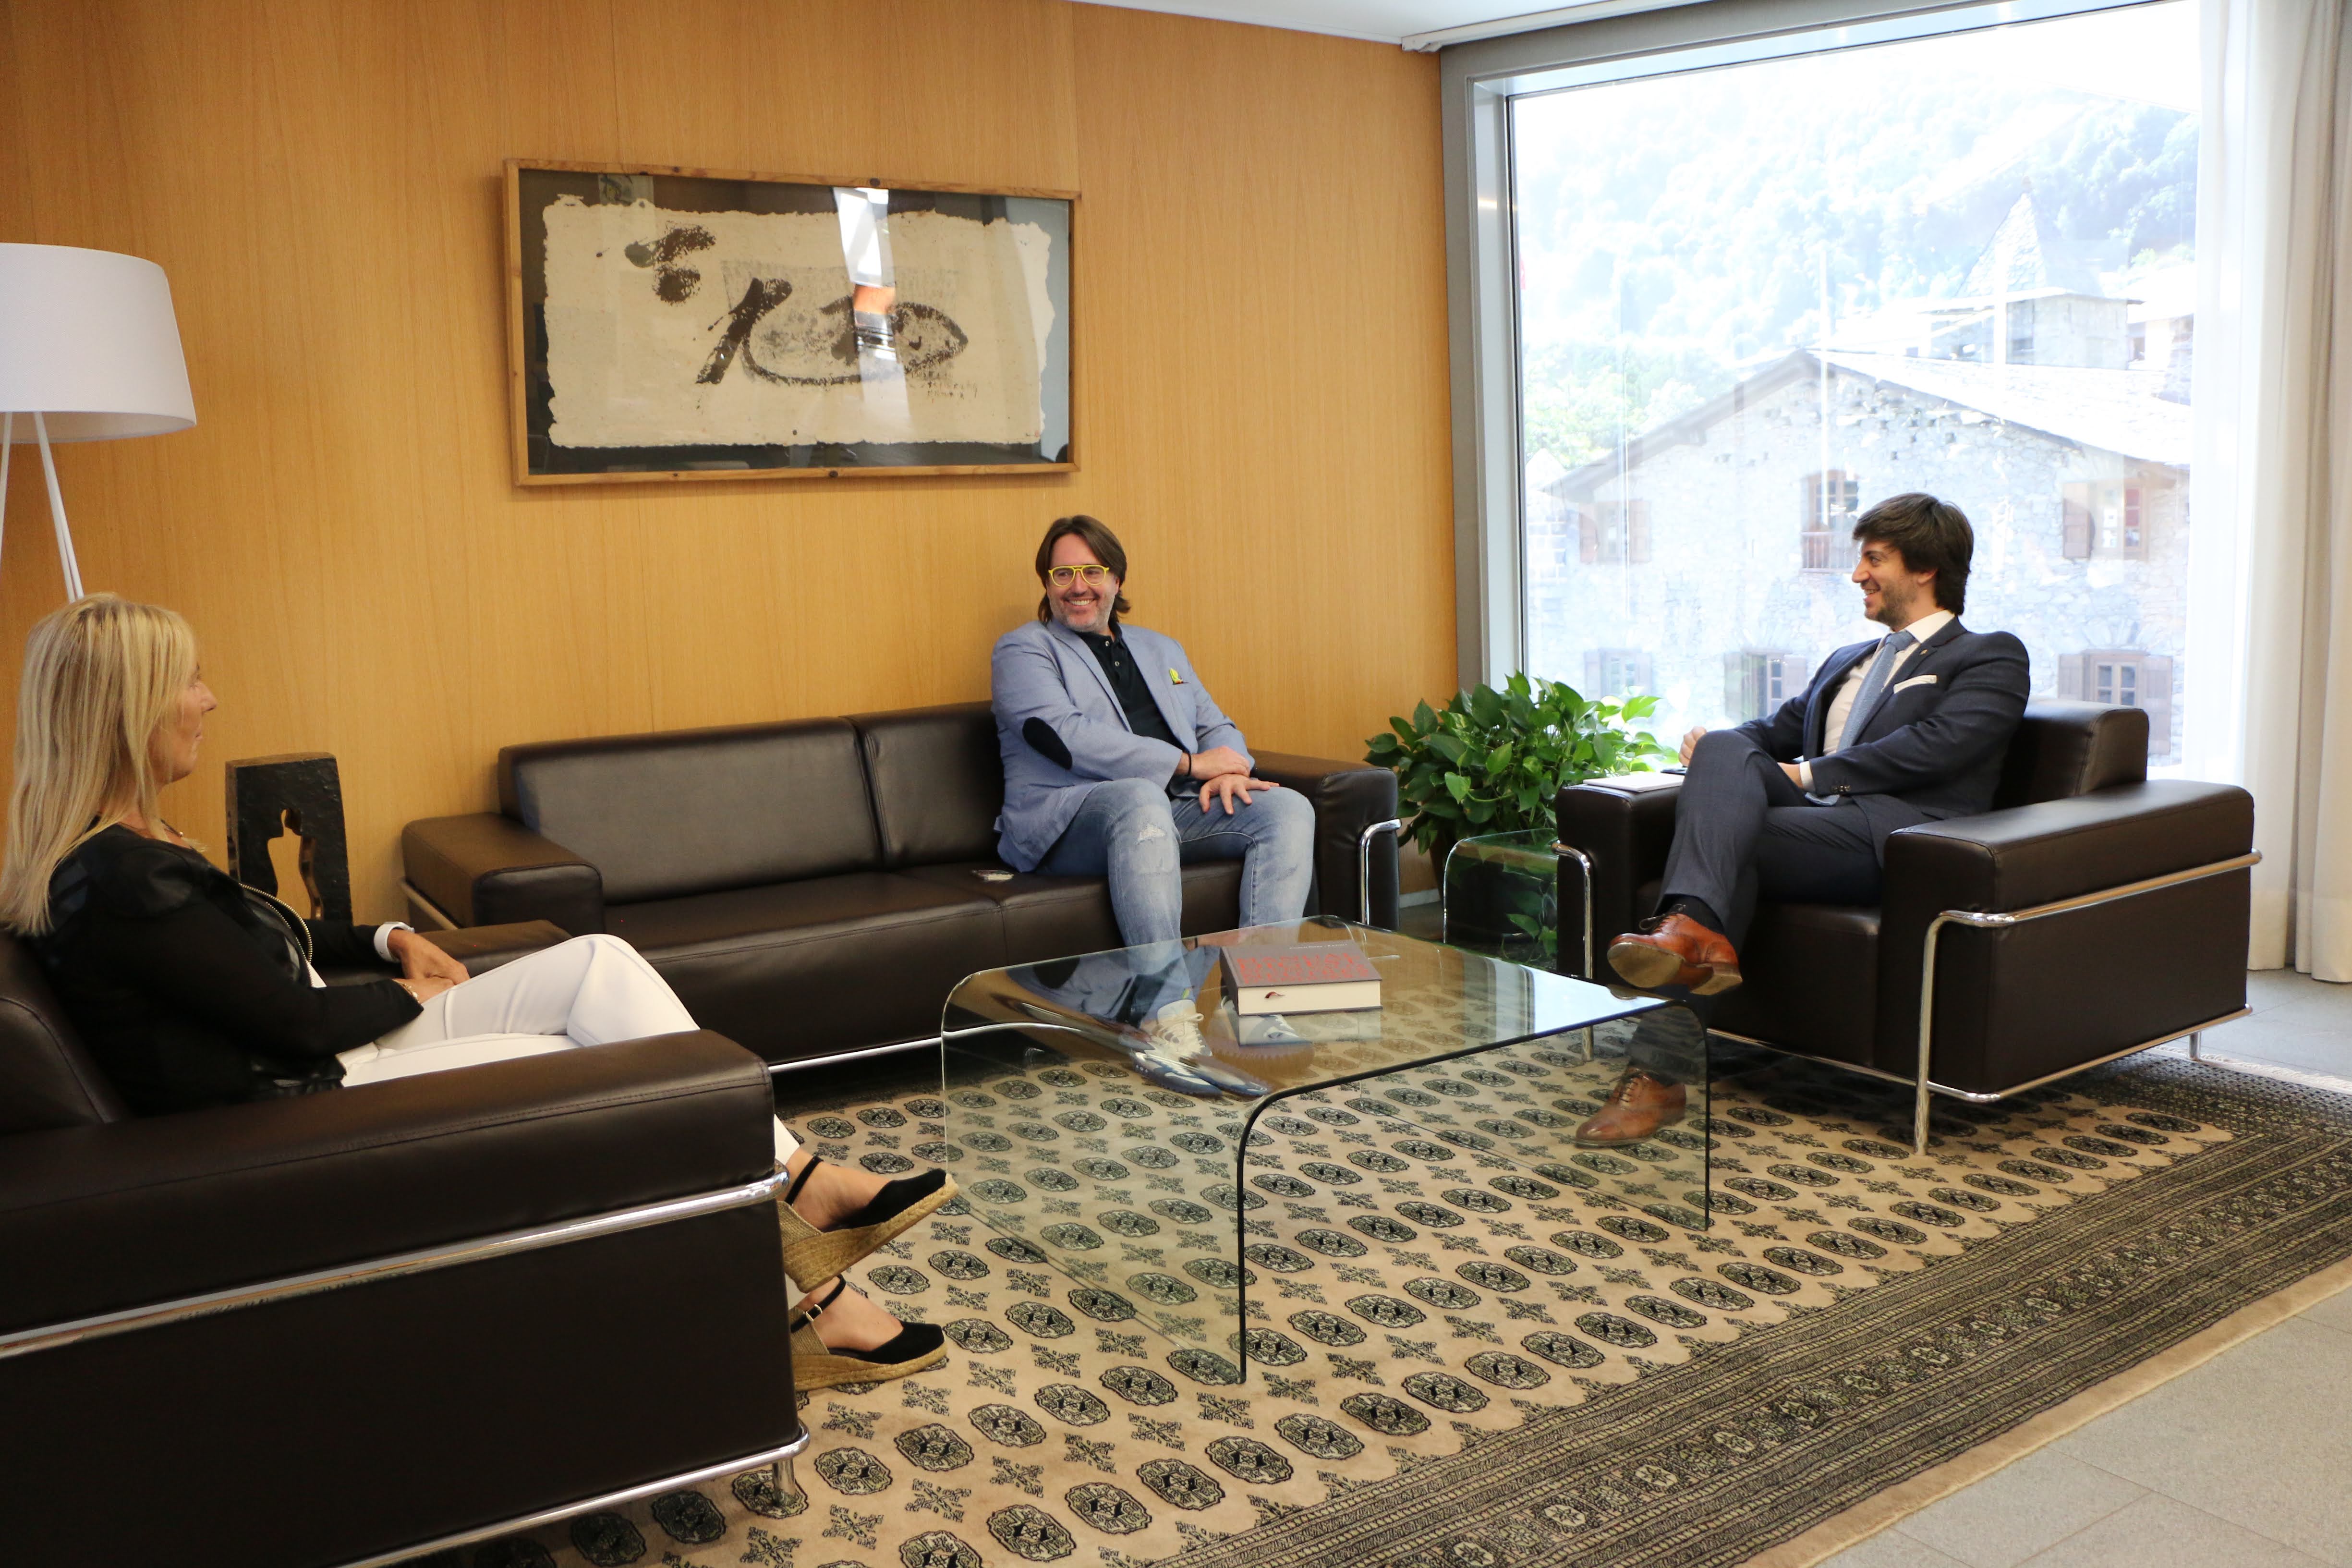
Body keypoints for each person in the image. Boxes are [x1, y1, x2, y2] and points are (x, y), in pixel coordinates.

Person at [0, 595, 944, 1388]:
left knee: (600, 962)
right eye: (188, 681)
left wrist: (388, 937)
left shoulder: (124, 848)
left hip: (329, 1048)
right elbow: (291, 1021)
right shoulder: (122, 879)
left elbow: (252, 944)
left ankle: (801, 1189)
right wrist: (405, 995)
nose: (209, 698)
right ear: (125, 708)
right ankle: (811, 1281)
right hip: (313, 1095)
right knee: (604, 1060)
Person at [1577, 493, 2030, 1146]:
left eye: (1873, 559)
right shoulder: (1848, 659)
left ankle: (1658, 1062)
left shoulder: (1989, 655)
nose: (1857, 574)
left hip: (1893, 837)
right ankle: (1692, 938)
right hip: (1809, 828)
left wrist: (1808, 775)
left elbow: (1938, 746)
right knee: (1727, 750)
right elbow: (1771, 732)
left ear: (1925, 567)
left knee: (1732, 843)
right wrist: (1712, 748)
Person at [991, 515, 1316, 1044]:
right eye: (1062, 573)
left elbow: (1215, 725)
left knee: (1287, 809)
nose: (1077, 586)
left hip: (1170, 811)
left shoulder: (1161, 649)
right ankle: (1167, 1015)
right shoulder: (1024, 649)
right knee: (1140, 799)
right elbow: (1065, 736)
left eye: (1092, 571)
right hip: (1068, 821)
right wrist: (1188, 765)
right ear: (1046, 584)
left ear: (1116, 579)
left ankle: (1260, 1004)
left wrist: (1232, 768)